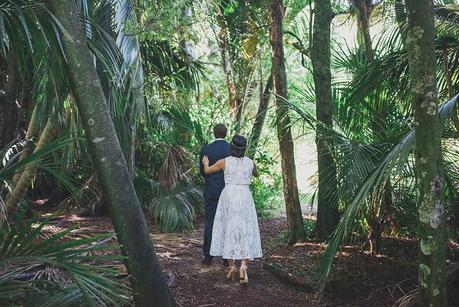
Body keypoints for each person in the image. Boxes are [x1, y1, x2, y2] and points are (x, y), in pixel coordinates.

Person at [202, 134, 262, 284]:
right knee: (244, 229)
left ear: (231, 147)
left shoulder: (224, 162)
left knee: (227, 228)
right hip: (244, 196)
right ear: (244, 148)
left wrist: (205, 163)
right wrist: (252, 167)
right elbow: (256, 174)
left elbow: (208, 171)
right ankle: (243, 266)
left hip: (228, 196)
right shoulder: (250, 162)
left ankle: (232, 267)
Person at [199, 123, 230, 265]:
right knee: (226, 222)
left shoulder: (206, 149)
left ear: (214, 133)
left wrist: (211, 181)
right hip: (228, 191)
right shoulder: (232, 149)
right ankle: (225, 257)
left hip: (211, 190)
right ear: (226, 133)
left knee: (210, 221)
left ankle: (208, 256)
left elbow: (202, 171)